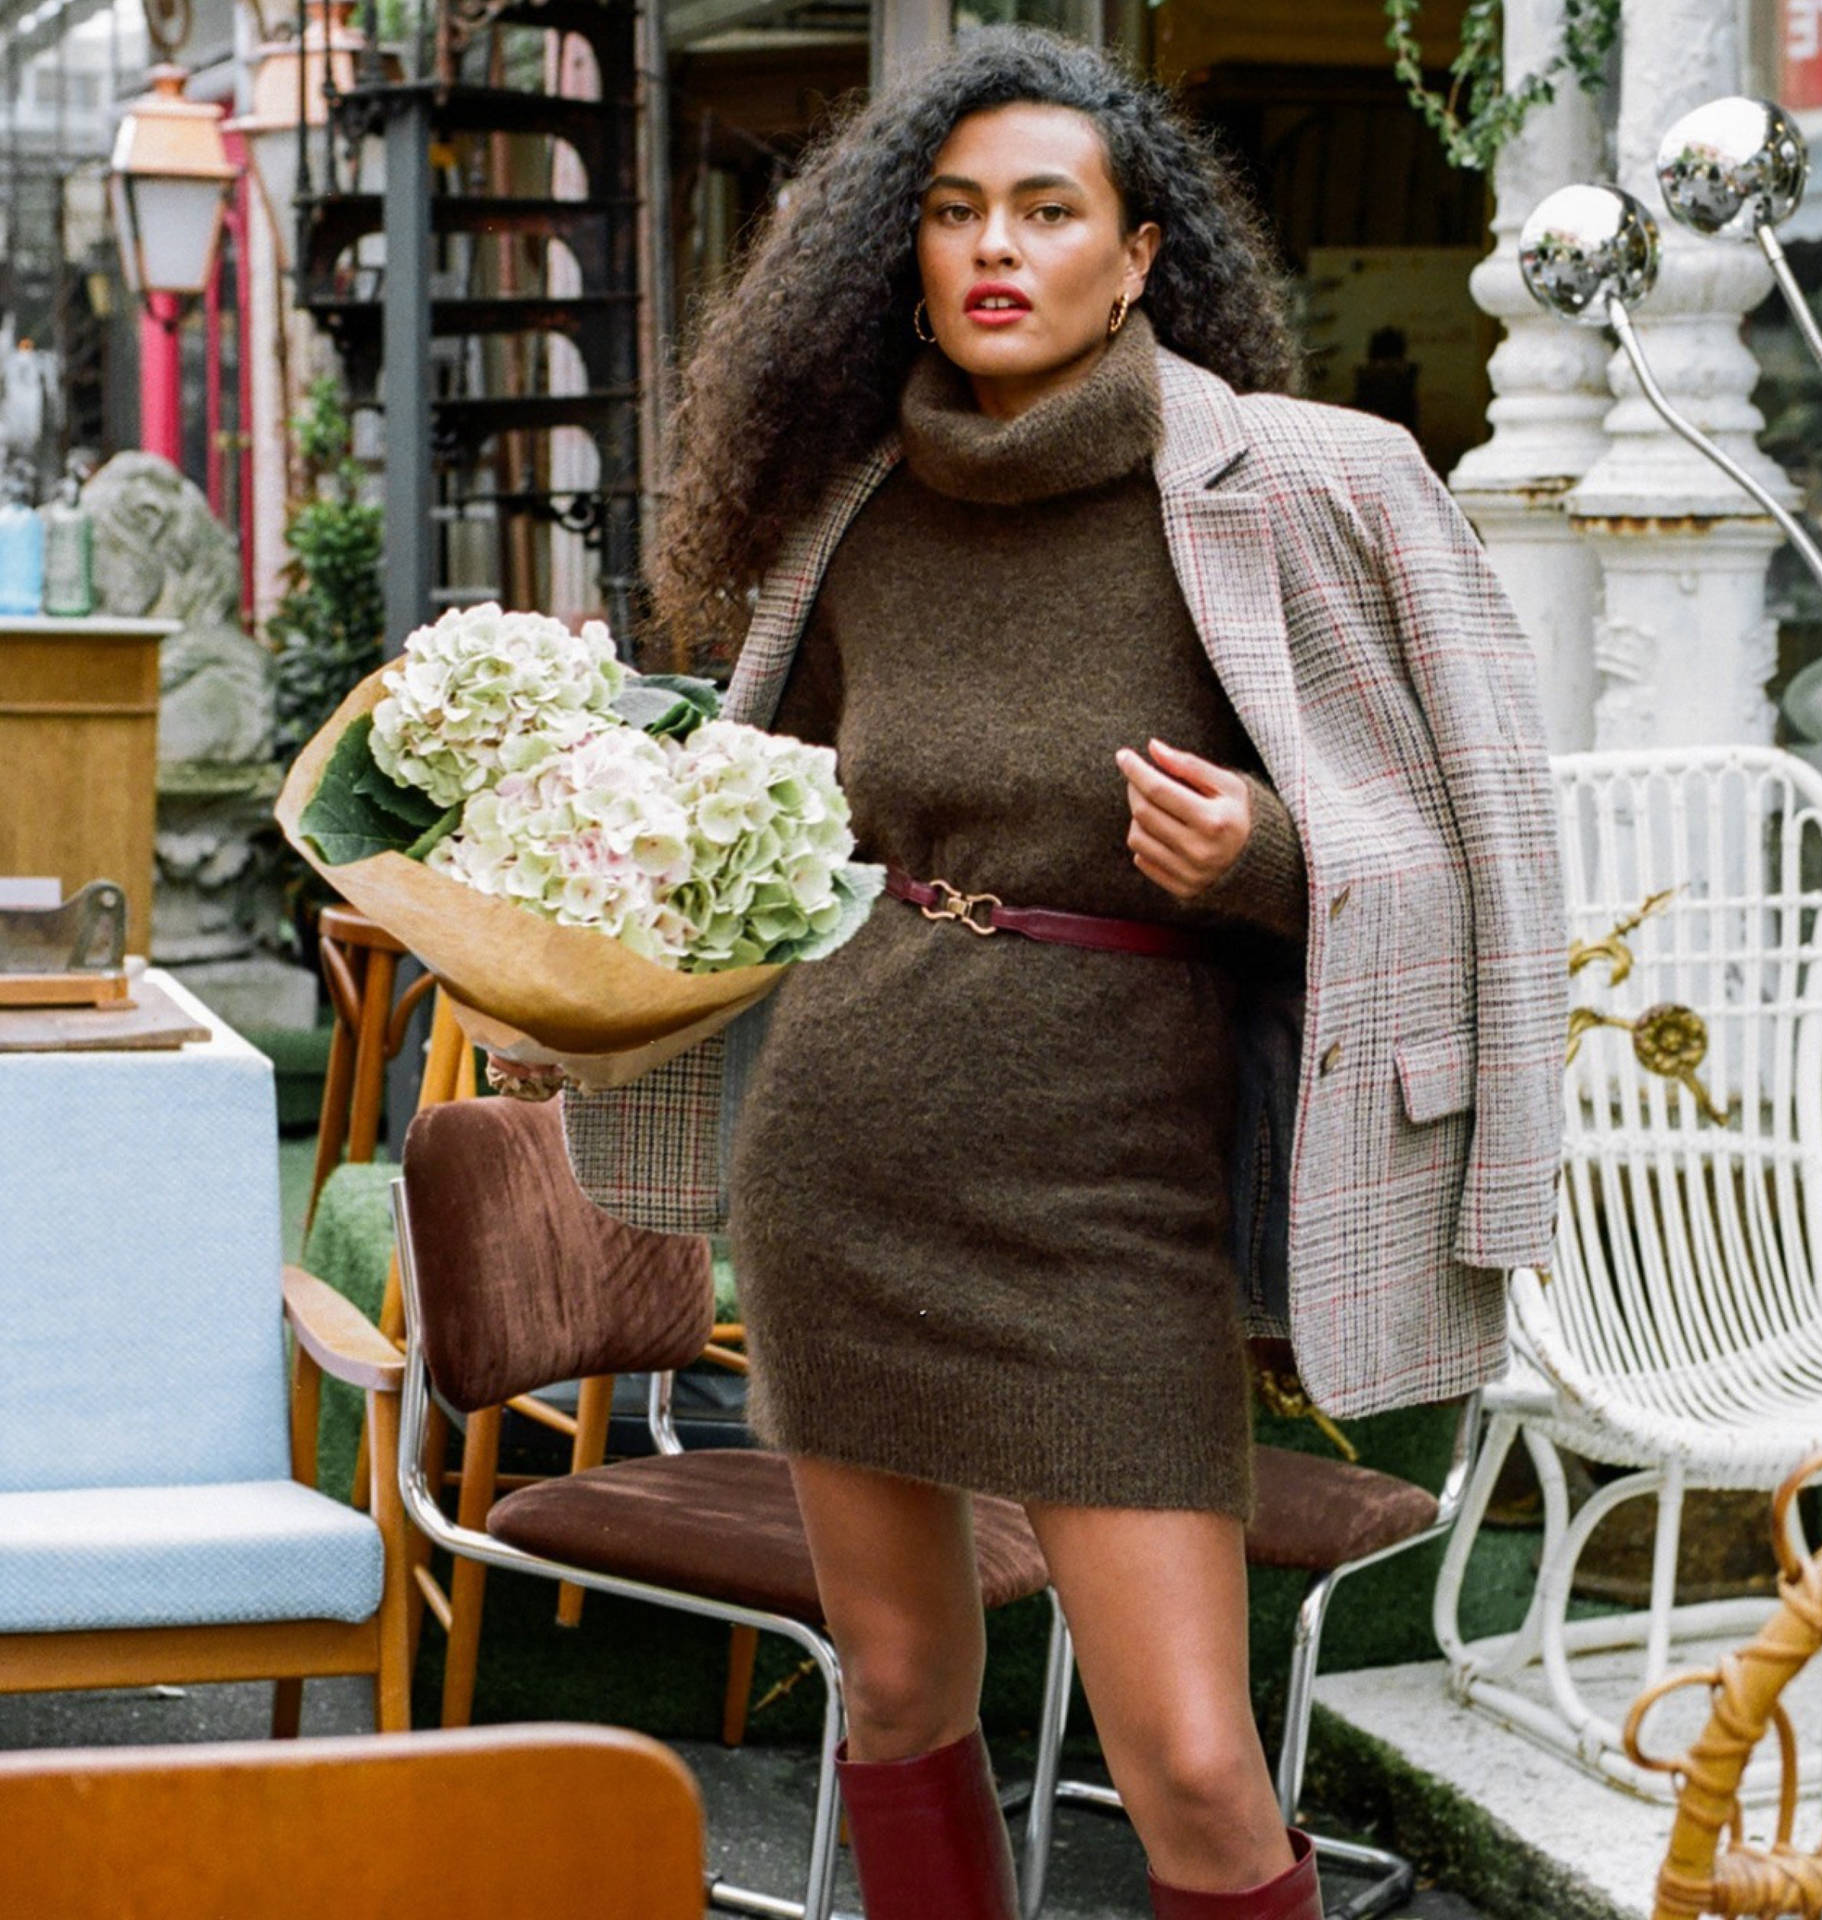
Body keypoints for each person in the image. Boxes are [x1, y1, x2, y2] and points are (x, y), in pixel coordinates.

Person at [559, 28, 1565, 1920]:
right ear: (905, 257)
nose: (994, 250)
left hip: (1114, 1195)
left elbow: (1490, 839)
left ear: (1140, 255)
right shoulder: (847, 505)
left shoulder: (1305, 487)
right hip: (851, 1155)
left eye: (1046, 210)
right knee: (907, 1684)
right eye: (953, 216)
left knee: (1192, 1762)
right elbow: (766, 822)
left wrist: (1262, 858)